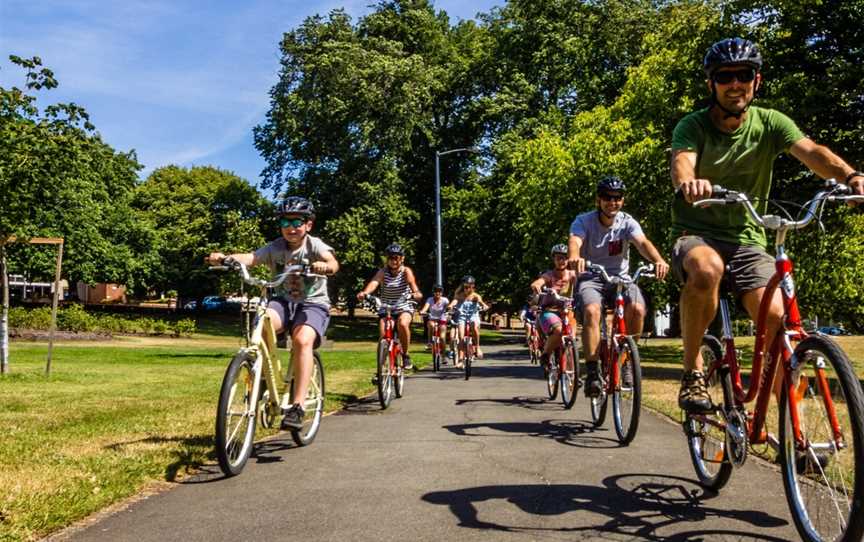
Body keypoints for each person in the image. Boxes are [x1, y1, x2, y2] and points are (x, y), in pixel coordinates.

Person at [671, 37, 864, 413]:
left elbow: (813, 153)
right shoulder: (692, 126)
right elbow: (682, 163)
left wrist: (851, 176)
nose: (734, 84)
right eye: (725, 76)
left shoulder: (771, 122)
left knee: (777, 316)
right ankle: (693, 370)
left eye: (743, 75)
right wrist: (689, 184)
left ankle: (793, 432)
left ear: (756, 80)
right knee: (706, 269)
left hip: (748, 238)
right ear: (711, 84)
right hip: (698, 234)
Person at [207, 196, 339, 431]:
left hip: (313, 304)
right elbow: (252, 258)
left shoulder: (314, 245)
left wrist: (325, 266)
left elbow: (332, 262)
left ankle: (297, 406)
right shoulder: (275, 247)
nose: (291, 228)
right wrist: (227, 258)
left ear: (308, 225)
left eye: (297, 222)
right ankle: (264, 377)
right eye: (285, 222)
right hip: (283, 301)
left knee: (301, 340)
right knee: (264, 320)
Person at [568, 176, 670, 397]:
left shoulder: (627, 221)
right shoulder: (584, 221)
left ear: (623, 200)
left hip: (620, 279)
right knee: (592, 311)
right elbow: (575, 240)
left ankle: (626, 359)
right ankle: (594, 372)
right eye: (607, 197)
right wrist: (575, 257)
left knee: (638, 308)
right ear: (598, 199)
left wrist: (659, 260)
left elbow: (642, 242)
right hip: (592, 278)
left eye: (617, 198)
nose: (612, 202)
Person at [356, 243, 423, 370]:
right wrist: (365, 293)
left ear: (402, 258)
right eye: (390, 257)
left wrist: (416, 294)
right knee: (383, 336)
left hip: (404, 306)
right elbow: (374, 283)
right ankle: (380, 370)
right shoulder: (383, 271)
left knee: (402, 324)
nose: (393, 260)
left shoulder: (406, 271)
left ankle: (405, 354)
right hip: (386, 307)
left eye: (396, 257)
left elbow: (414, 288)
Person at [530, 244, 578, 371]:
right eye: (558, 258)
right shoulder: (549, 275)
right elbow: (540, 281)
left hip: (568, 312)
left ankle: (573, 372)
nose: (561, 261)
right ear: (554, 259)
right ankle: (545, 355)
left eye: (564, 258)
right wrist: (537, 285)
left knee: (571, 337)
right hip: (549, 312)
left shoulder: (572, 275)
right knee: (558, 330)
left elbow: (582, 280)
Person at [447, 275, 490, 366]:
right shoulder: (459, 295)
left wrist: (484, 305)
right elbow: (455, 301)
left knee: (474, 326)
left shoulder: (475, 296)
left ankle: (477, 347)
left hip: (473, 316)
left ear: (473, 287)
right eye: (466, 287)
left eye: (470, 287)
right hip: (462, 316)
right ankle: (460, 359)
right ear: (463, 286)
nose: (468, 289)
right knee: (461, 337)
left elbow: (481, 302)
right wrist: (450, 306)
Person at [418, 284, 450, 359]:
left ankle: (443, 357)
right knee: (431, 325)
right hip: (432, 319)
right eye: (436, 291)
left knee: (442, 338)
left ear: (442, 292)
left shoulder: (445, 300)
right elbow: (426, 307)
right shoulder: (430, 299)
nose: (438, 293)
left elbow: (448, 307)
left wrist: (449, 310)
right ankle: (429, 343)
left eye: (439, 291)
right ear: (433, 292)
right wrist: (422, 311)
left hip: (442, 320)